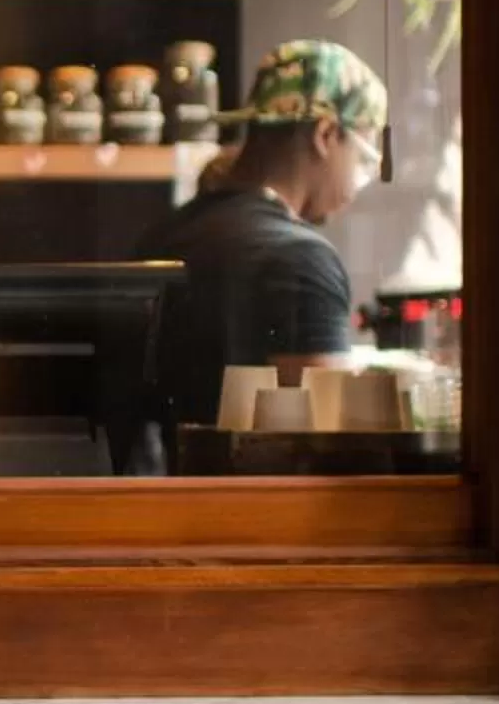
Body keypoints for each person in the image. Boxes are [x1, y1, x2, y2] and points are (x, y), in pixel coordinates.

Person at [135, 37, 391, 432]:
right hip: (257, 495)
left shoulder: (162, 237)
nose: (360, 182)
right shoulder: (302, 259)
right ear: (326, 135)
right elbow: (329, 445)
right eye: (365, 159)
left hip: (159, 492)